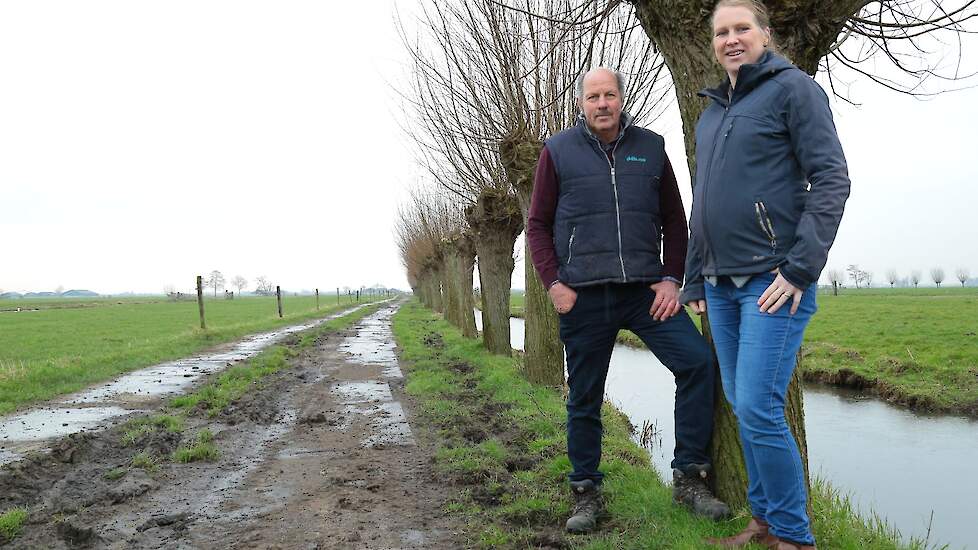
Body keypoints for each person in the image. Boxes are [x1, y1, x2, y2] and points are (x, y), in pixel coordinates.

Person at [527, 66, 730, 534]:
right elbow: (537, 225)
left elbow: (676, 222)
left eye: (609, 95)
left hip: (645, 293)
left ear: (622, 99)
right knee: (584, 397)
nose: (602, 103)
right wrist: (554, 283)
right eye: (593, 96)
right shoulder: (557, 152)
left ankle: (690, 478)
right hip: (584, 297)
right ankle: (585, 491)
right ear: (581, 103)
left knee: (697, 362)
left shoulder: (652, 148)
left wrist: (670, 278)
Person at [682, 1, 851, 549]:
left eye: (742, 29)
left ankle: (795, 539)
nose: (732, 39)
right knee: (743, 405)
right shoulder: (712, 112)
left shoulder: (794, 90)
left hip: (772, 282)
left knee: (757, 405)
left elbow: (831, 179)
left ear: (765, 34)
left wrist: (800, 269)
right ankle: (765, 523)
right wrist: (693, 277)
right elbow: (703, 201)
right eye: (722, 32)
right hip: (719, 284)